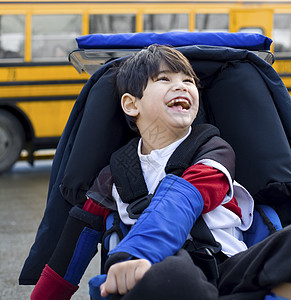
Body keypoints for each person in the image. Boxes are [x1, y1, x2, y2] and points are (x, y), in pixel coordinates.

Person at [30, 45, 291, 300]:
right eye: (164, 79)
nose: (182, 86)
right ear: (131, 104)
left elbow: (181, 201)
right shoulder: (112, 177)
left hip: (230, 272)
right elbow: (70, 250)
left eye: (189, 80)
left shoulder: (215, 151)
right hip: (158, 276)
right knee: (172, 271)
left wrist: (138, 250)